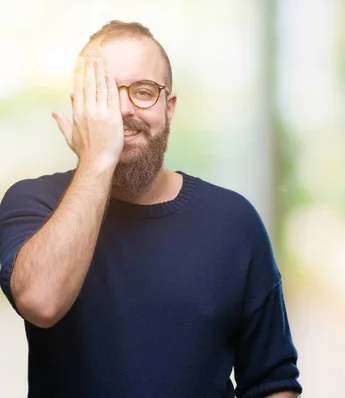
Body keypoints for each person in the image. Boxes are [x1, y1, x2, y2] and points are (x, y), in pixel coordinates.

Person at [0, 20, 302, 398]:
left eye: (143, 92)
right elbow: (41, 301)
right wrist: (97, 160)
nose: (124, 110)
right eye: (104, 94)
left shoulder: (234, 222)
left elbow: (272, 381)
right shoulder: (33, 202)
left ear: (169, 107)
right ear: (80, 107)